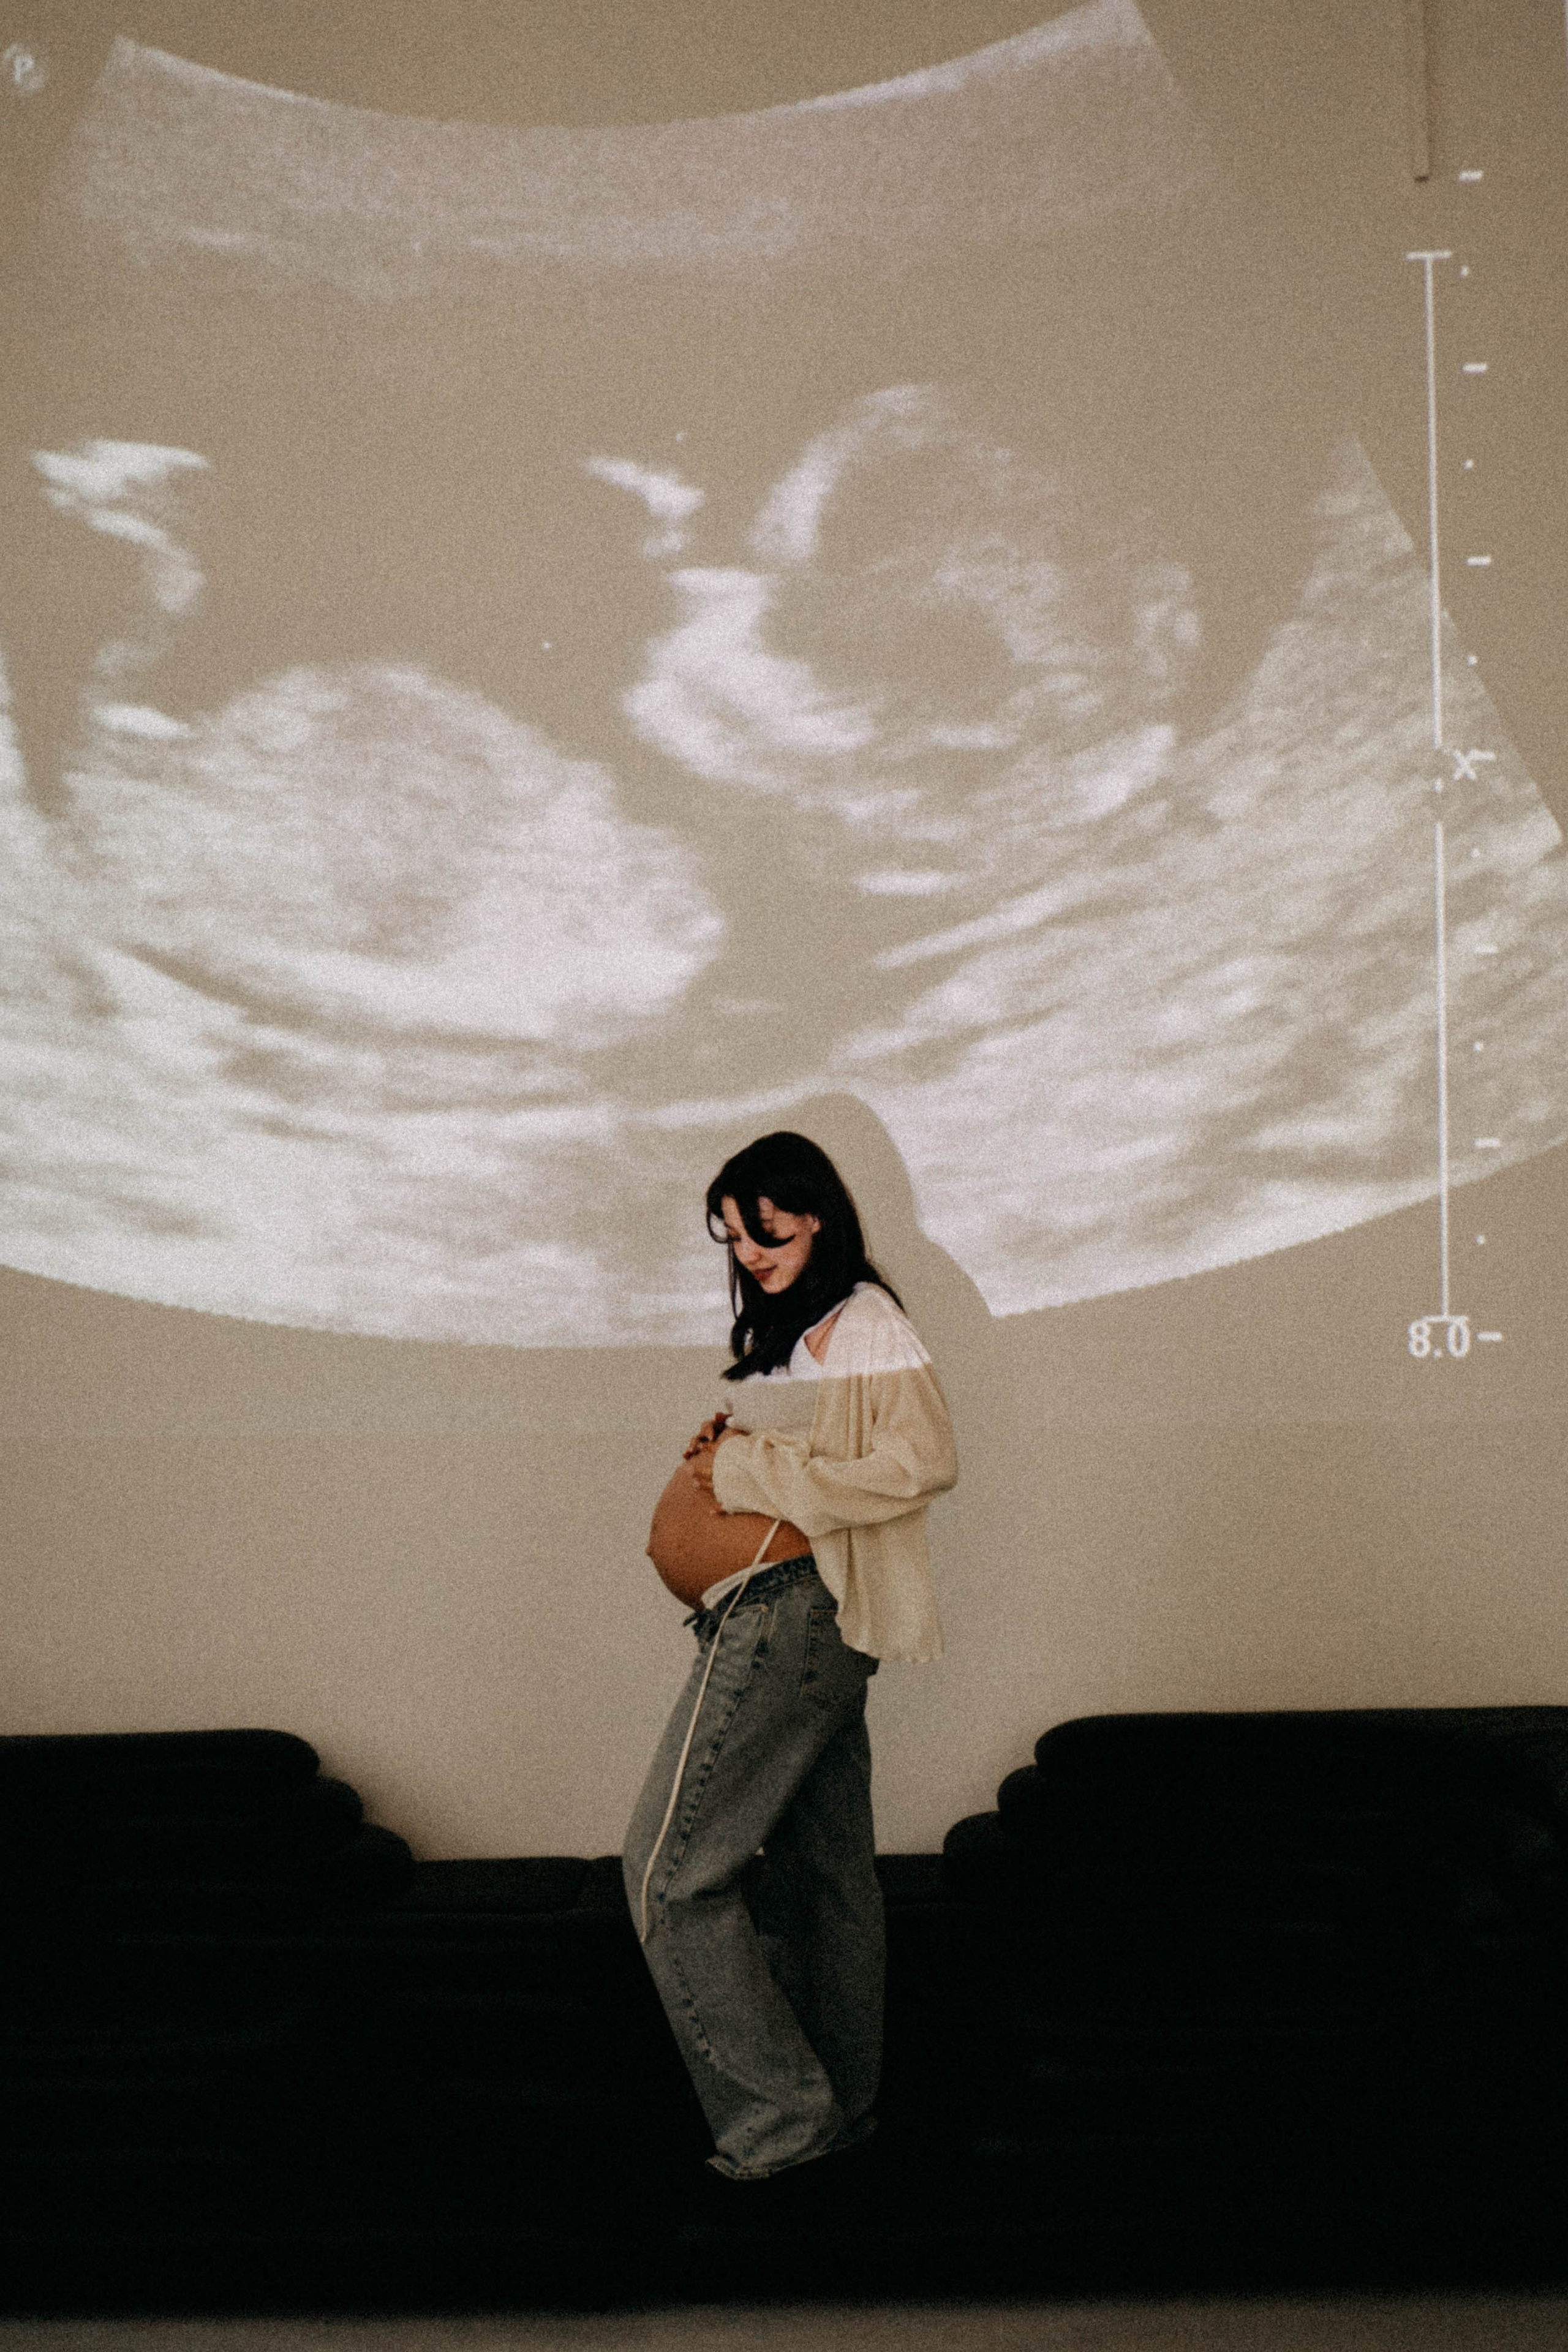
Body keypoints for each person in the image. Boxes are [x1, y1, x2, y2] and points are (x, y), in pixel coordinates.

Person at [622, 1129, 957, 2189]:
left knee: (671, 1877)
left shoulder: (868, 1319)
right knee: (824, 1882)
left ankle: (781, 2120)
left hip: (790, 1617)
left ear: (812, 1209)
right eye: (731, 1233)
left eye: (762, 1223)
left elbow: (920, 1461)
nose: (747, 1246)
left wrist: (749, 1467)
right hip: (779, 1618)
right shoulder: (802, 1331)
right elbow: (777, 1462)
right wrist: (720, 1459)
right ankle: (840, 2115)